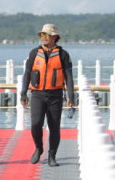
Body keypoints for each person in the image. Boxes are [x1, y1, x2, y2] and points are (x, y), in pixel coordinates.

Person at [20, 23, 75, 167]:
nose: (44, 38)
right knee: (36, 124)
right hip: (37, 94)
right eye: (42, 35)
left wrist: (71, 96)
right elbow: (27, 74)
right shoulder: (34, 53)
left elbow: (69, 77)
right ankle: (38, 148)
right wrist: (23, 93)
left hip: (55, 95)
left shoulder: (63, 55)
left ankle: (52, 156)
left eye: (47, 35)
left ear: (54, 37)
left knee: (54, 126)